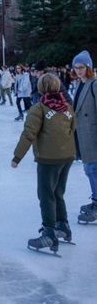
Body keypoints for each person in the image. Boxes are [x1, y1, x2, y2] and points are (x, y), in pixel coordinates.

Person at [11, 73, 76, 254]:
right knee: (58, 192)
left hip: (49, 158)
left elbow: (28, 134)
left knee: (46, 194)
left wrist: (17, 157)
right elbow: (73, 129)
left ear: (40, 88)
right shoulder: (67, 107)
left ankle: (49, 233)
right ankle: (62, 226)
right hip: (67, 156)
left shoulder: (38, 108)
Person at [71, 50, 97, 224]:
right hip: (83, 133)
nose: (78, 70)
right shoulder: (80, 84)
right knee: (89, 170)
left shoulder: (94, 84)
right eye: (76, 67)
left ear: (88, 67)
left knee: (92, 170)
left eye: (81, 67)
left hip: (92, 134)